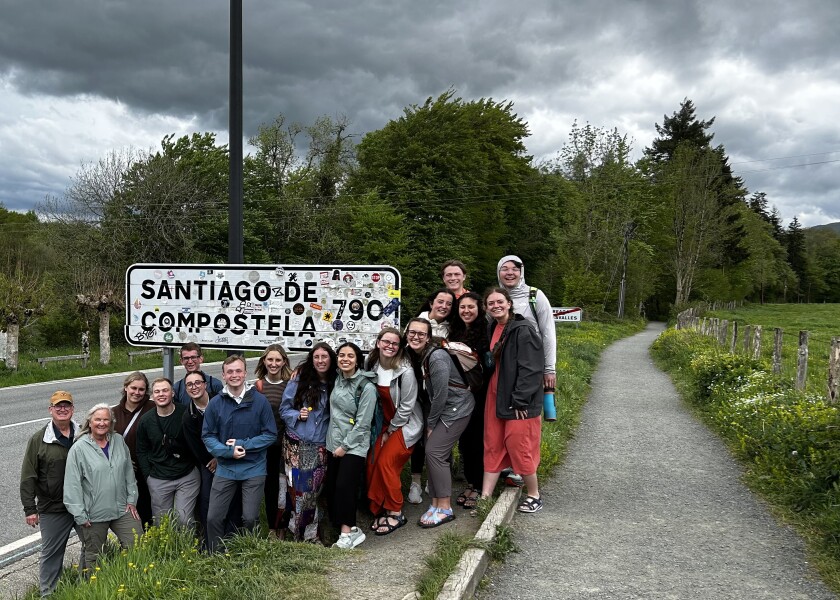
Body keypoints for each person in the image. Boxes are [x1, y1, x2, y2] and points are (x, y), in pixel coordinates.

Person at [202, 355, 277, 552]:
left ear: (245, 373)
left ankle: (251, 552)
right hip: (226, 468)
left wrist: (244, 445)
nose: (234, 375)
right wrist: (227, 451)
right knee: (213, 517)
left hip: (254, 467)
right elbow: (208, 436)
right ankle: (216, 556)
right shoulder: (215, 403)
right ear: (223, 376)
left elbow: (270, 434)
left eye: (238, 371)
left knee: (250, 517)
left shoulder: (260, 402)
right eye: (230, 372)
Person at [405, 318, 474, 528]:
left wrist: (431, 424)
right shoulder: (423, 355)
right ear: (406, 333)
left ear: (428, 337)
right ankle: (435, 504)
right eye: (412, 332)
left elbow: (441, 393)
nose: (416, 337)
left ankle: (444, 507)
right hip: (449, 409)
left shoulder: (436, 357)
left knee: (435, 452)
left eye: (421, 334)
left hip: (457, 408)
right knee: (434, 453)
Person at [480, 288, 544, 513]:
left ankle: (534, 494)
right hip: (496, 393)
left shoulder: (523, 330)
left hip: (518, 399)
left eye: (500, 301)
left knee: (519, 444)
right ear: (486, 308)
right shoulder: (493, 327)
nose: (496, 306)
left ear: (509, 304)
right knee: (493, 442)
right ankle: (485, 496)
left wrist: (520, 399)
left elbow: (532, 368)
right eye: (491, 303)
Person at [20, 391, 84, 597]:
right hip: (53, 507)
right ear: (51, 410)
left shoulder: (84, 434)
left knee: (93, 544)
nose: (63, 409)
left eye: (67, 405)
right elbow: (28, 475)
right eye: (58, 406)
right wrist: (30, 508)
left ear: (73, 409)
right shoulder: (39, 439)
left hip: (83, 504)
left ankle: (87, 585)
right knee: (52, 553)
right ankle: (48, 593)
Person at [63, 403, 142, 570]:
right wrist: (79, 514)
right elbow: (72, 485)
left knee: (137, 545)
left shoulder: (118, 441)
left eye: (106, 419)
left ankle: (131, 581)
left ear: (111, 423)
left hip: (122, 508)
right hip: (94, 513)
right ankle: (91, 588)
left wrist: (131, 499)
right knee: (94, 556)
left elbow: (129, 473)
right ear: (90, 422)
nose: (102, 423)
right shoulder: (79, 448)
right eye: (97, 419)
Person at [365, 328, 423, 536]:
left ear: (400, 347)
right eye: (386, 342)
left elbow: (407, 406)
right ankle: (379, 506)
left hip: (404, 424)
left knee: (386, 462)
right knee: (372, 462)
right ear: (378, 343)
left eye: (395, 343)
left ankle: (396, 511)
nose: (390, 346)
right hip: (382, 423)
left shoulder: (404, 371)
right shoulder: (371, 364)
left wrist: (391, 430)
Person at [278, 343, 336, 543]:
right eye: (316, 357)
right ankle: (305, 536)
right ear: (311, 359)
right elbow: (284, 410)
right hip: (297, 444)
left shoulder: (336, 381)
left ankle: (305, 534)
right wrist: (297, 415)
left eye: (324, 357)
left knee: (312, 492)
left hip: (321, 445)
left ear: (331, 359)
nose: (320, 361)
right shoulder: (299, 380)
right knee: (300, 492)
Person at [181, 370, 241, 549]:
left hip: (231, 456)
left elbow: (235, 425)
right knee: (208, 500)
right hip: (209, 463)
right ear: (186, 389)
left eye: (197, 382)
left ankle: (234, 539)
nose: (194, 387)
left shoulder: (221, 400)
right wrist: (212, 460)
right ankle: (211, 543)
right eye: (190, 384)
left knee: (234, 499)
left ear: (205, 384)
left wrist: (223, 454)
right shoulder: (188, 417)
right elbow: (196, 447)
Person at [325, 342, 377, 549]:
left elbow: (364, 423)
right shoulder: (337, 379)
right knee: (331, 489)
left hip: (354, 446)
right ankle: (348, 530)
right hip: (333, 443)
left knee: (345, 487)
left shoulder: (367, 387)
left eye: (350, 356)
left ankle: (348, 533)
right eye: (341, 355)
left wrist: (344, 447)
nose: (345, 359)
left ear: (357, 360)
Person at [135, 378, 200, 527]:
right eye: (157, 391)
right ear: (152, 395)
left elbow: (198, 440)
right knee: (162, 523)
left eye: (165, 390)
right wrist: (148, 475)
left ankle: (188, 548)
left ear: (173, 393)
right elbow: (141, 450)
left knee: (184, 520)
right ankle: (169, 550)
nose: (161, 394)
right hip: (158, 478)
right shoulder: (146, 421)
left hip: (187, 475)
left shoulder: (186, 413)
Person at [448, 292, 490, 510]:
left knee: (477, 439)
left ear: (479, 309)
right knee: (464, 439)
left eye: (470, 307)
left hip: (480, 394)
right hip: (458, 394)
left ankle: (479, 484)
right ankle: (471, 481)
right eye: (462, 307)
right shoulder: (455, 331)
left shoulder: (486, 331)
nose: (466, 311)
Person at [496, 255, 557, 390]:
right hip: (502, 367)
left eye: (515, 269)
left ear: (521, 272)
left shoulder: (535, 296)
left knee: (529, 407)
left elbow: (548, 333)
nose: (510, 273)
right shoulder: (495, 298)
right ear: (498, 272)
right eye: (504, 269)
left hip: (531, 365)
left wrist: (549, 369)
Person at [253, 344, 293, 537]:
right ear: (264, 361)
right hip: (267, 446)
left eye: (278, 360)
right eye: (270, 359)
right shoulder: (258, 386)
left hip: (288, 444)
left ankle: (284, 526)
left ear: (284, 361)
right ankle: (271, 527)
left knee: (286, 486)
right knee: (270, 487)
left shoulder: (291, 384)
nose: (274, 364)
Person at [112, 371, 155, 527]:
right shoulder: (113, 413)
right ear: (126, 388)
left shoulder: (153, 408)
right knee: (127, 515)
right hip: (122, 474)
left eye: (141, 389)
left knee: (147, 513)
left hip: (147, 472)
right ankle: (130, 547)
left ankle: (149, 545)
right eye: (133, 388)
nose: (137, 393)